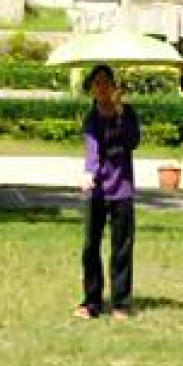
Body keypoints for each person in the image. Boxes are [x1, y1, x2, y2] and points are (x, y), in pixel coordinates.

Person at [74, 64, 141, 320]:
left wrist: (120, 112)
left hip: (122, 190)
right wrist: (89, 173)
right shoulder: (91, 118)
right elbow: (92, 148)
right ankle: (92, 302)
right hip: (96, 191)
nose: (102, 87)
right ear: (92, 89)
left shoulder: (128, 113)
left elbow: (132, 142)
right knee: (90, 248)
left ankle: (121, 303)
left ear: (114, 86)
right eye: (97, 83)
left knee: (121, 248)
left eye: (106, 82)